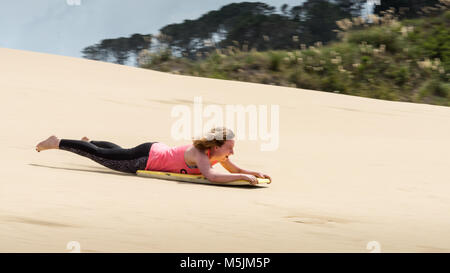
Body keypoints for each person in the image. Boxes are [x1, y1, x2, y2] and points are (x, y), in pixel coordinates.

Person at [35, 126, 271, 185]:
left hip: (152, 150)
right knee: (104, 158)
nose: (232, 151)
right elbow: (211, 176)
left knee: (116, 151)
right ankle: (57, 143)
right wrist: (241, 180)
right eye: (229, 147)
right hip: (146, 159)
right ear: (216, 145)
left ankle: (90, 141)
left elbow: (234, 170)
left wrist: (252, 174)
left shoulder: (218, 155)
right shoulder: (201, 153)